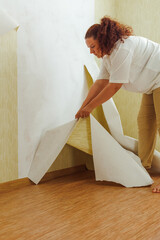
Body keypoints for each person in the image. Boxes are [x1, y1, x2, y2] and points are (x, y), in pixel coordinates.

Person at [75, 16, 160, 193]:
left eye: (92, 46)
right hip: (152, 84)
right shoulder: (108, 56)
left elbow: (114, 86)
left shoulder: (123, 48)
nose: (91, 51)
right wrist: (83, 106)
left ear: (103, 40)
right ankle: (144, 168)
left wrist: (90, 108)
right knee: (144, 123)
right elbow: (100, 83)